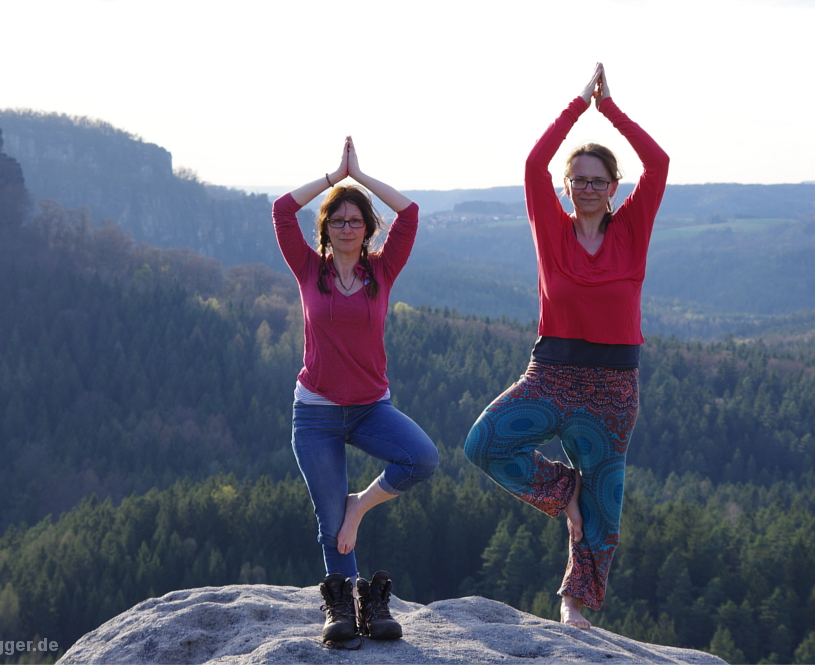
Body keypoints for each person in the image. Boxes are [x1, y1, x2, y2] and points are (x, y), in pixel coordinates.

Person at [464, 63, 669, 629]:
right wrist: (578, 105)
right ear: (566, 187)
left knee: (606, 509)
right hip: (550, 375)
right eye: (577, 180)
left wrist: (613, 111)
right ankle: (564, 491)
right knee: (484, 443)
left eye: (597, 180)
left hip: (612, 387)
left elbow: (661, 163)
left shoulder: (632, 228)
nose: (585, 188)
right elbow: (533, 163)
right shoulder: (550, 228)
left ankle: (573, 605)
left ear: (614, 189)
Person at [272, 137, 439, 645]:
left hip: (370, 408)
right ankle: (346, 606)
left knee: (422, 458)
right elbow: (281, 210)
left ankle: (357, 507)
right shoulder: (308, 270)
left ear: (367, 229)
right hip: (317, 414)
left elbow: (409, 213)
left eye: (356, 220)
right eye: (338, 220)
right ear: (326, 229)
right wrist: (332, 178)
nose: (347, 227)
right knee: (330, 526)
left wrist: (359, 177)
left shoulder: (381, 271)